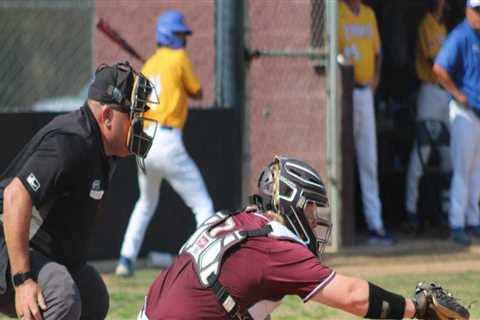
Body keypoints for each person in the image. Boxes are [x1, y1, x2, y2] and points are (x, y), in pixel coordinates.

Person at [136, 156, 469, 320]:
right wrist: (416, 310)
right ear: (291, 202)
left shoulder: (239, 221)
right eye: (310, 208)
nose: (313, 219)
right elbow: (352, 296)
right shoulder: (275, 246)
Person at [0, 61, 157, 320]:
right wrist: (23, 281)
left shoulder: (104, 151)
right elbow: (15, 195)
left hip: (40, 251)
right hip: (8, 247)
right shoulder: (71, 143)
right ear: (107, 116)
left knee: (93, 296)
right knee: (62, 296)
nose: (141, 125)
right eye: (135, 115)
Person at [115, 9, 215, 277]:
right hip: (168, 140)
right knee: (203, 205)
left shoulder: (149, 66)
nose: (184, 39)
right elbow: (198, 92)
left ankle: (125, 258)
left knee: (145, 202)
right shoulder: (178, 57)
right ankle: (204, 260)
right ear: (170, 35)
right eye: (181, 34)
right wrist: (178, 81)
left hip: (144, 141)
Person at [338, 0, 394, 245]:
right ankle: (340, 228)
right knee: (341, 159)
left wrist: (376, 79)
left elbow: (378, 52)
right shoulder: (335, 11)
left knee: (368, 160)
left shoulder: (369, 13)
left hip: (364, 93)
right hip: (342, 94)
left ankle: (376, 225)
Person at [433, 0, 480, 246]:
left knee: (477, 172)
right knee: (462, 170)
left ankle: (473, 221)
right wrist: (458, 93)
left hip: (478, 114)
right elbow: (439, 68)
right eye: (477, 10)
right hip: (464, 112)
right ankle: (456, 223)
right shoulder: (461, 35)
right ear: (467, 10)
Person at [404, 0, 450, 232]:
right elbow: (434, 64)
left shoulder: (443, 27)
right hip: (430, 93)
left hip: (444, 96)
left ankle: (447, 211)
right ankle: (410, 211)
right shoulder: (427, 24)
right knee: (420, 156)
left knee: (448, 157)